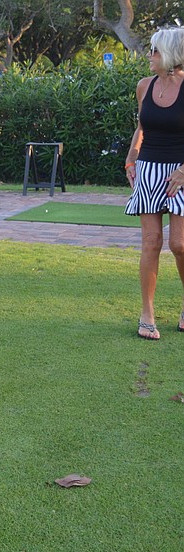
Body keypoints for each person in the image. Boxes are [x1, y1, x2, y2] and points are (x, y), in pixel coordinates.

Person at [124, 27, 184, 340]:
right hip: (148, 168)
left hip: (181, 173)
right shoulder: (144, 86)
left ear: (172, 54)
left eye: (156, 51)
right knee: (151, 242)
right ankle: (147, 314)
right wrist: (131, 158)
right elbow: (141, 127)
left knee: (180, 244)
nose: (150, 57)